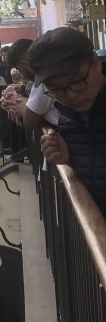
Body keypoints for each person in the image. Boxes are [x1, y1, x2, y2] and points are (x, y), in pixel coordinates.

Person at [31, 28, 106, 217]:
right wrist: (70, 159)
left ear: (96, 64)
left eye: (77, 82)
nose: (71, 95)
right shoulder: (67, 120)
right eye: (57, 89)